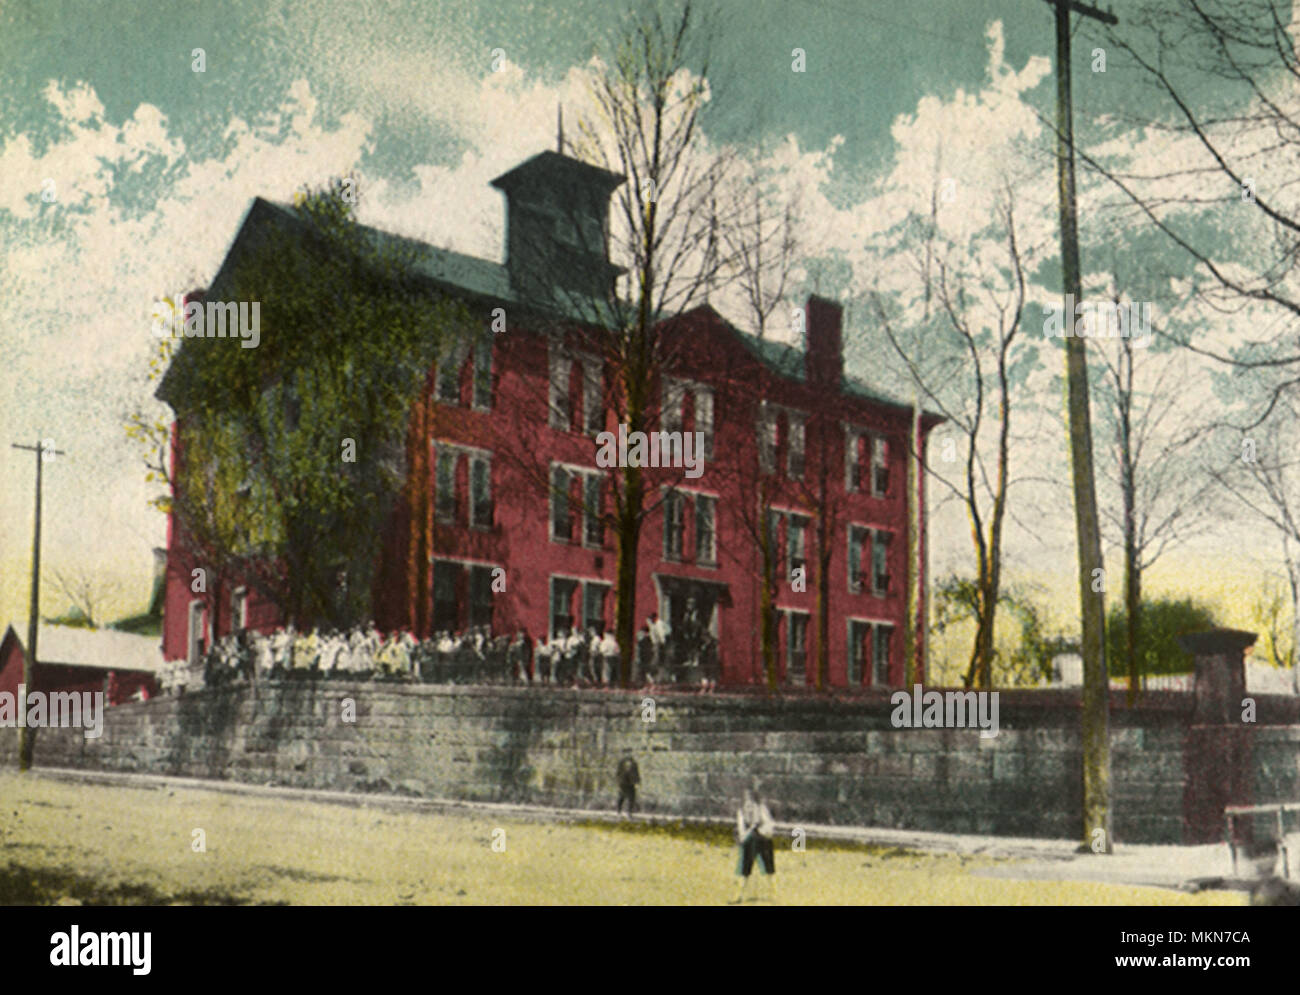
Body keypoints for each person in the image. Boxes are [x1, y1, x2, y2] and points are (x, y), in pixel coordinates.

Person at [733, 788, 776, 903]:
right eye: (746, 803)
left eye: (751, 802)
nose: (749, 806)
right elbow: (742, 836)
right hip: (750, 840)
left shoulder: (761, 810)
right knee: (745, 867)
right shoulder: (741, 813)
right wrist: (752, 828)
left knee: (769, 868)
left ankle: (772, 894)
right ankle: (739, 895)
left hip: (764, 839)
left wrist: (759, 831)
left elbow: (770, 828)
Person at [615, 753, 640, 817]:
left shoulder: (634, 764)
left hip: (630, 783)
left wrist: (636, 782)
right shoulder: (622, 763)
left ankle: (628, 812)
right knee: (622, 797)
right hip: (623, 783)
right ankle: (619, 811)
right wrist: (618, 782)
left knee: (631, 798)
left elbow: (636, 773)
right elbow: (618, 773)